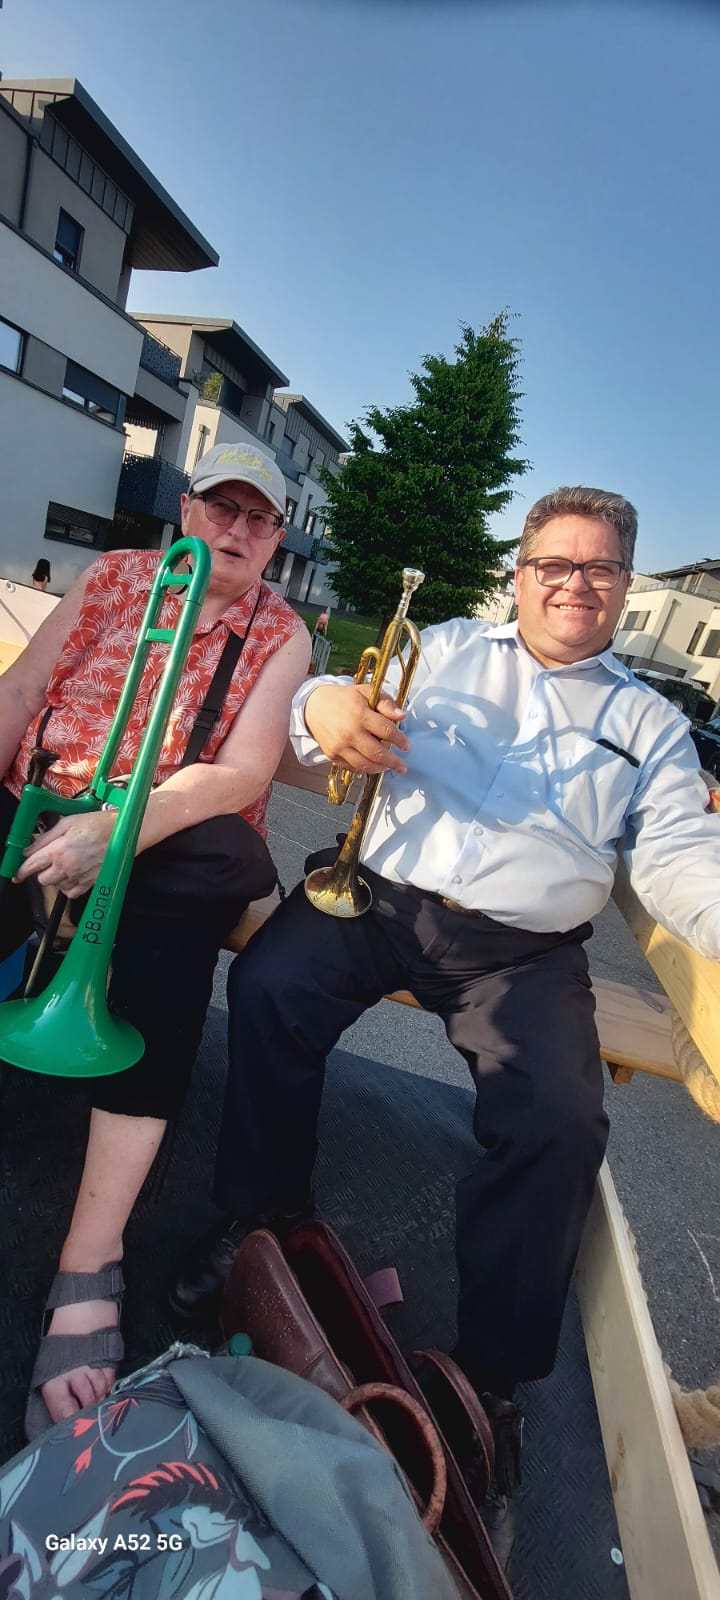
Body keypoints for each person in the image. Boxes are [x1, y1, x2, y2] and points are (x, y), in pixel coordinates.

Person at [171, 485, 720, 1526]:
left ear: (623, 585)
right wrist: (323, 711)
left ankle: (491, 1377)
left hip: (521, 953)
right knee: (273, 983)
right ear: (520, 574)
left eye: (598, 568)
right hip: (376, 894)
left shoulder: (653, 726)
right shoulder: (452, 646)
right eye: (552, 564)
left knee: (558, 1121)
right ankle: (264, 1215)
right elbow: (324, 707)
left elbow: (684, 863)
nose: (574, 583)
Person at [0, 441, 311, 1437]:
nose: (237, 529)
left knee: (175, 941)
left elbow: (243, 773)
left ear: (277, 539)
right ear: (186, 509)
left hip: (165, 837)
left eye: (259, 518)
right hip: (41, 799)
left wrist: (115, 829)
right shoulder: (114, 576)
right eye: (222, 506)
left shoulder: (282, 632)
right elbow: (21, 692)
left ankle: (89, 1257)